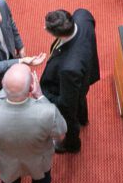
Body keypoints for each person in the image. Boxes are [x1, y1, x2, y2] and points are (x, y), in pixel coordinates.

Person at [41, 9, 99, 154]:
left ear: (56, 34)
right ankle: (83, 118)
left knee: (69, 116)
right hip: (86, 73)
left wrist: (41, 94)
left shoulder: (68, 68)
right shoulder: (82, 15)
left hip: (70, 82)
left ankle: (72, 144)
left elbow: (66, 103)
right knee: (81, 97)